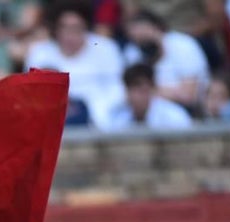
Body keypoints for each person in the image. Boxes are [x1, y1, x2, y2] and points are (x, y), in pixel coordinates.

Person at [24, 0, 125, 129]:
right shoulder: (40, 52)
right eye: (65, 28)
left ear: (86, 27)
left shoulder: (106, 48)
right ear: (56, 29)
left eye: (76, 28)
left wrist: (95, 111)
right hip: (54, 120)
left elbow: (117, 89)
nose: (70, 34)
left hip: (100, 121)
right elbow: (33, 94)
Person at [104, 60, 194, 128]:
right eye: (133, 89)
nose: (137, 96)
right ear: (127, 91)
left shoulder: (174, 116)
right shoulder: (117, 117)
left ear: (152, 89)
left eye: (143, 90)